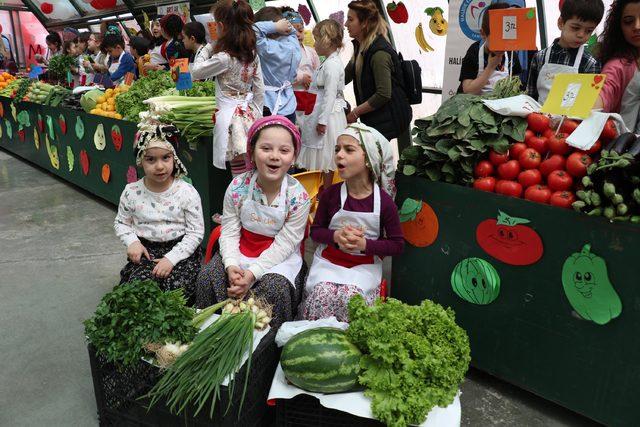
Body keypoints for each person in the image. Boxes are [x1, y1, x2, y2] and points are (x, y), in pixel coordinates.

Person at [195, 116, 311, 327]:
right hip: (240, 251)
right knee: (208, 277)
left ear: (293, 156)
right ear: (252, 152)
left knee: (273, 289)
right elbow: (229, 229)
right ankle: (211, 338)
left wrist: (252, 274)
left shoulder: (299, 198)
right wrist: (231, 264)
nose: (274, 156)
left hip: (278, 259)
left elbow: (286, 243)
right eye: (266, 148)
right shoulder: (238, 187)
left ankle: (260, 355)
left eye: (284, 151)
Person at [301, 123, 404, 322]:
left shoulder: (384, 203)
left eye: (349, 150)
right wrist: (335, 236)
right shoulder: (330, 194)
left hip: (363, 268)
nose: (340, 155)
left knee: (352, 298)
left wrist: (365, 244)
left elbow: (397, 245)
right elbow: (316, 232)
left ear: (368, 159)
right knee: (321, 294)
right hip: (329, 263)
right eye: (337, 149)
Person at [115, 122, 204, 303]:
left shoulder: (187, 192)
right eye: (151, 159)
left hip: (181, 252)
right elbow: (122, 222)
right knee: (139, 292)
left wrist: (171, 259)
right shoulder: (131, 192)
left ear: (175, 159)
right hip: (146, 251)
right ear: (140, 161)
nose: (160, 166)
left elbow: (195, 233)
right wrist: (132, 242)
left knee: (177, 291)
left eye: (166, 158)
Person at [191, 0, 265, 175]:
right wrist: (257, 115)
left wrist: (208, 47)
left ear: (221, 27)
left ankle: (238, 200)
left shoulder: (224, 58)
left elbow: (196, 71)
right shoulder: (252, 55)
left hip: (230, 117)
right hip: (250, 115)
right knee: (252, 166)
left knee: (238, 171)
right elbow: (259, 89)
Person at [345, 0, 412, 145]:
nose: (345, 24)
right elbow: (344, 76)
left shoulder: (379, 53)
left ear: (364, 23)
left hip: (389, 118)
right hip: (376, 118)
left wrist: (355, 112)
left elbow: (383, 94)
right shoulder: (361, 47)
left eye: (350, 19)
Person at [298, 19, 347, 192]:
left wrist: (323, 121)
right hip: (321, 112)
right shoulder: (328, 62)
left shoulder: (332, 65)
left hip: (329, 116)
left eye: (317, 39)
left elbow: (330, 95)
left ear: (326, 40)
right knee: (325, 156)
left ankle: (326, 191)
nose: (315, 43)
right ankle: (323, 190)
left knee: (327, 156)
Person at [527, 0, 604, 104]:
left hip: (572, 120)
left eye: (589, 31)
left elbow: (587, 103)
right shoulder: (540, 57)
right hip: (539, 118)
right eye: (575, 28)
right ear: (561, 23)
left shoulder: (590, 63)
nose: (581, 35)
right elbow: (530, 96)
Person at [594, 0, 640, 132]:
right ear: (619, 28)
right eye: (628, 21)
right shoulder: (617, 66)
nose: (637, 26)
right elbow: (604, 92)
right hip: (624, 147)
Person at [458, 3, 523, 95]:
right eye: (497, 40)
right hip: (473, 105)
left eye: (506, 40)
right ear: (483, 34)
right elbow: (468, 90)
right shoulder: (474, 51)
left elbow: (516, 84)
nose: (502, 46)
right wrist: (490, 67)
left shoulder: (511, 54)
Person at [254, 7, 301, 123]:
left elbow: (252, 30)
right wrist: (285, 26)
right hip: (289, 105)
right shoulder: (293, 44)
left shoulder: (266, 47)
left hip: (268, 106)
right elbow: (293, 32)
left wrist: (274, 26)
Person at [281, 8, 320, 126]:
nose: (298, 34)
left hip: (310, 98)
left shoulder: (311, 52)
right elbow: (283, 75)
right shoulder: (282, 53)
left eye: (300, 30)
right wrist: (302, 77)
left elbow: (319, 71)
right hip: (292, 99)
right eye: (292, 31)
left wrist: (314, 80)